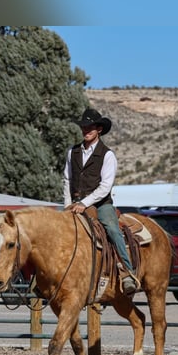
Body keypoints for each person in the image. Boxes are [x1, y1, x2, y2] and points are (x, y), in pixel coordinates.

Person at [62, 107, 138, 296]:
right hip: (75, 203)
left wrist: (84, 203)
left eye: (90, 127)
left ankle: (127, 271)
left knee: (112, 228)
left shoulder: (107, 155)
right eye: (84, 127)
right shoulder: (73, 152)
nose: (86, 130)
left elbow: (105, 186)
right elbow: (67, 179)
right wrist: (67, 204)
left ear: (99, 130)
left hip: (101, 204)